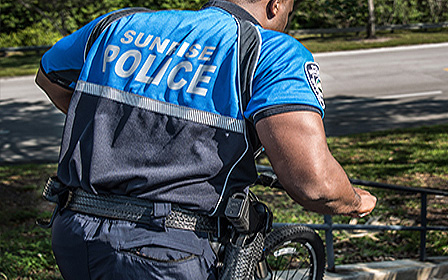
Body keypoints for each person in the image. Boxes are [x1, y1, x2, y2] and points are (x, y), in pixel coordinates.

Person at [35, 0, 377, 278]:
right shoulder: (268, 51)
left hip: (75, 232)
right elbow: (315, 183)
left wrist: (116, 128)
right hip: (163, 250)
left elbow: (49, 77)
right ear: (277, 5)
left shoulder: (116, 25)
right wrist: (355, 200)